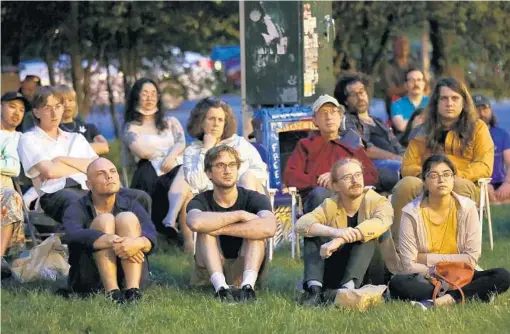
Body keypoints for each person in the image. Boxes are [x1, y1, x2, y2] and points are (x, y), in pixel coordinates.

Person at [389, 155, 510, 310]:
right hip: (428, 277)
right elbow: (408, 265)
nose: (441, 179)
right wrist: (437, 269)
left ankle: (443, 300)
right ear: (424, 181)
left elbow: (471, 258)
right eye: (434, 175)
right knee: (398, 283)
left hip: (462, 273)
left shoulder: (467, 208)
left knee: (502, 276)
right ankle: (473, 293)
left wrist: (425, 258)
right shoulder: (410, 213)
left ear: (454, 179)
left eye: (447, 174)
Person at [17, 86, 150, 224]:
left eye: (58, 106)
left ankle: (139, 243)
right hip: (55, 192)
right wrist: (82, 166)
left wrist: (62, 160)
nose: (54, 113)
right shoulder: (28, 139)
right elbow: (50, 172)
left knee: (140, 197)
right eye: (47, 108)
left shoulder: (76, 138)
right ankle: (100, 243)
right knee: (81, 203)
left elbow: (97, 168)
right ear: (36, 112)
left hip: (91, 188)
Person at [391, 77, 494, 246]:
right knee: (405, 185)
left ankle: (449, 251)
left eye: (455, 98)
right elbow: (407, 166)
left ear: (464, 102)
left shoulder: (478, 128)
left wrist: (453, 176)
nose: (449, 103)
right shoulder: (422, 130)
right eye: (444, 98)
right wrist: (429, 176)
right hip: (426, 181)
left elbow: (484, 165)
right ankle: (399, 253)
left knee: (455, 186)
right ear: (436, 103)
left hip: (463, 182)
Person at [295, 158, 400, 306]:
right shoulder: (330, 204)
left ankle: (346, 291)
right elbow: (301, 224)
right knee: (313, 230)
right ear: (336, 186)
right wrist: (335, 232)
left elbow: (381, 222)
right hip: (340, 270)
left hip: (372, 270)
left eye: (358, 175)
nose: (355, 180)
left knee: (368, 232)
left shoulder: (379, 201)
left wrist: (341, 239)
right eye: (347, 177)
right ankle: (315, 290)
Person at [186, 145, 276, 303]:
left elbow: (269, 228)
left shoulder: (253, 198)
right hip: (211, 267)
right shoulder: (201, 200)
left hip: (245, 264)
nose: (227, 170)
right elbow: (194, 222)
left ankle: (248, 289)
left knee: (256, 232)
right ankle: (221, 289)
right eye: (220, 165)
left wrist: (220, 229)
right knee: (205, 230)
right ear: (209, 173)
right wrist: (240, 215)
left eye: (232, 165)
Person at [62, 158, 157, 303]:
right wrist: (113, 240)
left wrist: (137, 243)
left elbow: (151, 236)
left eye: (113, 171)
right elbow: (73, 235)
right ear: (89, 184)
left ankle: (133, 291)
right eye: (101, 173)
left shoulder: (132, 204)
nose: (109, 176)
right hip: (91, 278)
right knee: (104, 220)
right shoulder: (76, 207)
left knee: (127, 218)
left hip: (131, 274)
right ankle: (112, 292)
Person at [123, 78, 193, 251]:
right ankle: (176, 233)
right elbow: (142, 151)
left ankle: (187, 240)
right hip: (149, 173)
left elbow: (181, 143)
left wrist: (170, 157)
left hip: (173, 169)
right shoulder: (131, 126)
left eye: (153, 93)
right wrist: (167, 153)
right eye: (145, 93)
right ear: (136, 97)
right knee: (184, 183)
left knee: (186, 175)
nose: (150, 97)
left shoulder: (170, 121)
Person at [283, 94, 379, 215]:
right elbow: (290, 176)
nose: (329, 117)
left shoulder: (351, 143)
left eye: (333, 112)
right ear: (314, 120)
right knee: (320, 194)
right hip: (320, 199)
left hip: (351, 198)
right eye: (323, 113)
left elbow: (372, 175)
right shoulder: (306, 145)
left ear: (340, 117)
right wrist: (319, 180)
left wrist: (338, 179)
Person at [184, 97, 268, 194]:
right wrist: (206, 149)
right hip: (213, 202)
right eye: (211, 119)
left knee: (248, 177)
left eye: (220, 120)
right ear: (201, 122)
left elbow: (261, 171)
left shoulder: (239, 143)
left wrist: (236, 180)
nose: (216, 124)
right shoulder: (192, 151)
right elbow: (198, 184)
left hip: (244, 195)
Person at [335, 74, 405, 176]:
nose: (360, 97)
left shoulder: (379, 121)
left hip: (394, 163)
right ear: (345, 101)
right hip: (373, 167)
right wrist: (397, 158)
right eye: (353, 94)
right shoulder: (348, 120)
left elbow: (397, 146)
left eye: (362, 91)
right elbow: (363, 150)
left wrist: (407, 158)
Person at [1, 92, 28, 278]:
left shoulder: (21, 138)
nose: (17, 113)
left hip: (3, 190)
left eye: (22, 109)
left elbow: (14, 168)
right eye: (12, 106)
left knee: (12, 198)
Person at [473, 94, 510, 204]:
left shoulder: (502, 134)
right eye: (476, 109)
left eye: (484, 108)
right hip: (477, 182)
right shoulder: (466, 136)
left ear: (490, 109)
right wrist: (484, 184)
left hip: (500, 183)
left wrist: (507, 184)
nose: (481, 113)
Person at [55, 85, 109, 155]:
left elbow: (104, 147)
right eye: (62, 101)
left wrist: (71, 149)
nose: (67, 104)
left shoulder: (89, 128)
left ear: (76, 104)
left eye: (71, 100)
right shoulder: (52, 130)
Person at [381, 35, 417, 120]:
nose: (403, 47)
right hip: (397, 111)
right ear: (393, 47)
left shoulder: (415, 64)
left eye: (405, 44)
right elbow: (390, 92)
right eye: (399, 44)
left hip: (416, 108)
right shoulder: (388, 67)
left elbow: (425, 86)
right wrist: (412, 88)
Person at [391, 68, 429, 134]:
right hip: (406, 141)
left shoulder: (432, 102)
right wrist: (424, 121)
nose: (416, 83)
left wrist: (409, 122)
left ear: (424, 84)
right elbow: (401, 127)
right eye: (412, 80)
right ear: (405, 85)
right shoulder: (397, 104)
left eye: (419, 80)